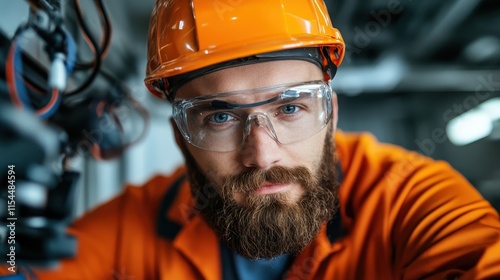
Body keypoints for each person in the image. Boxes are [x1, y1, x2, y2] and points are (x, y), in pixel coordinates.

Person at [2, 0, 500, 279]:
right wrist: (5, 239)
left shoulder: (407, 198)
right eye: (219, 118)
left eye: (289, 108)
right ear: (181, 137)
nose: (262, 154)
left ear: (331, 114)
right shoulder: (140, 223)